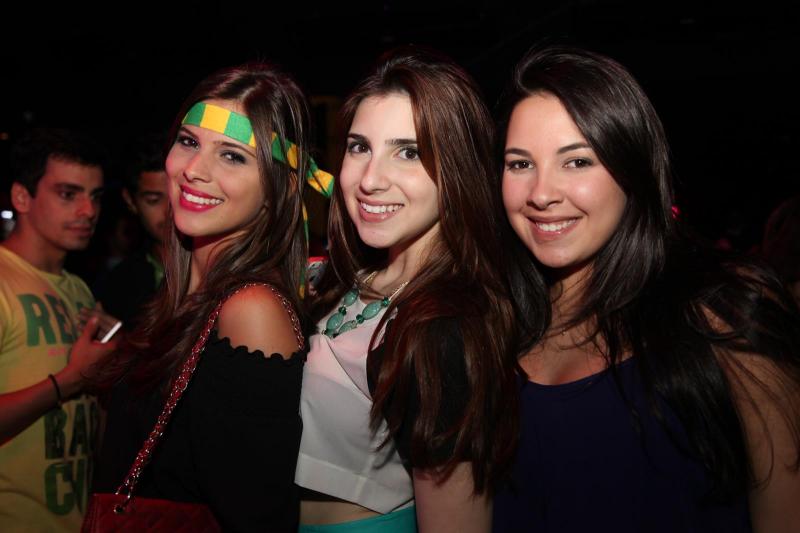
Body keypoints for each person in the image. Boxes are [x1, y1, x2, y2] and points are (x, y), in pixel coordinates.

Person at [493, 45, 800, 532]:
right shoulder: (493, 330)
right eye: (519, 164)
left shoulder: (726, 315)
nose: (541, 193)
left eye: (577, 162)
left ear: (632, 169)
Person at [296, 48, 520, 533]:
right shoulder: (349, 280)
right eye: (359, 147)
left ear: (458, 168)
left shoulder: (443, 332)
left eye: (409, 152)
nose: (370, 180)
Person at [93, 62, 315, 531]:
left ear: (280, 188)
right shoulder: (181, 293)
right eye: (189, 142)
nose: (194, 170)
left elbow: (258, 517)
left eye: (232, 156)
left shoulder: (251, 310)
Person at [0, 128, 118, 532]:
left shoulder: (79, 290)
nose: (88, 210)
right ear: (22, 198)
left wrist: (112, 371)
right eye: (68, 194)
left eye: (96, 196)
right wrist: (69, 380)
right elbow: (73, 382)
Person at [96, 134, 169, 327]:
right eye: (153, 200)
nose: (169, 211)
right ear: (130, 201)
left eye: (180, 195)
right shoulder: (118, 285)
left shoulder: (223, 271)